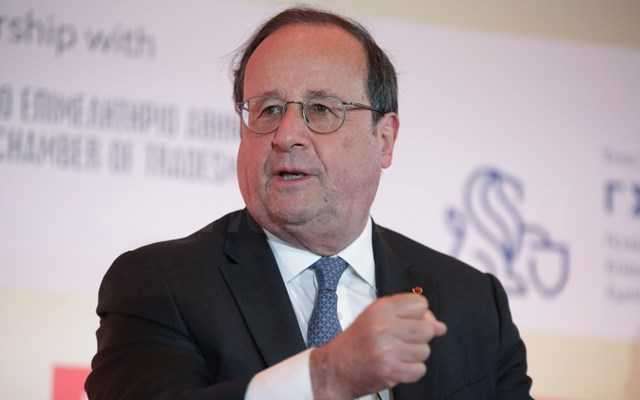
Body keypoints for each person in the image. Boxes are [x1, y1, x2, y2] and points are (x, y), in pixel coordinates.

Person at [85, 7, 533, 400]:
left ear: (384, 139)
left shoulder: (471, 303)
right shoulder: (160, 286)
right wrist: (324, 378)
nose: (286, 135)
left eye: (321, 109)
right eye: (268, 110)